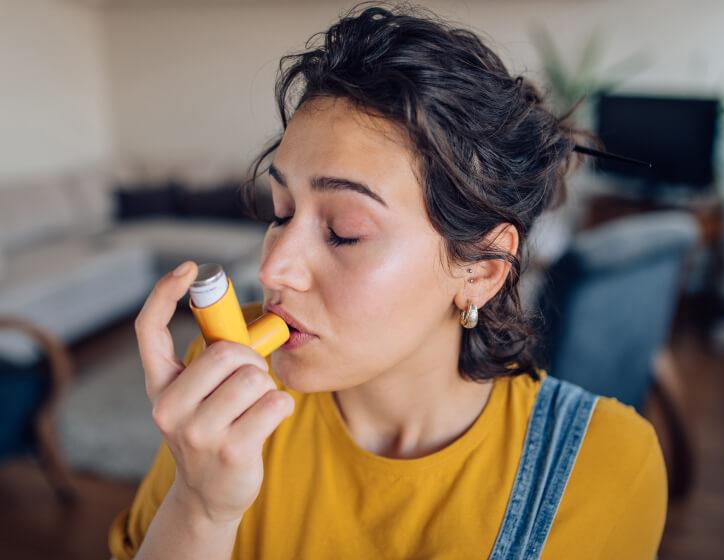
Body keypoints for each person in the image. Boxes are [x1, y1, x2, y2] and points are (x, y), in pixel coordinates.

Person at [109, 2, 667, 558]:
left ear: (481, 269)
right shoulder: (229, 396)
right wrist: (201, 508)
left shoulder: (607, 465)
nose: (273, 268)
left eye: (345, 232)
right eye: (280, 212)